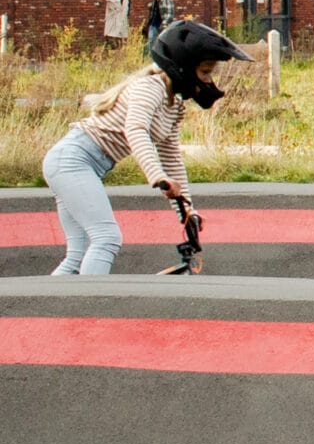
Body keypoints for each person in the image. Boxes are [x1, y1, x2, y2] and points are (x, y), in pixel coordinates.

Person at [43, 16, 236, 276]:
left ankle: (50, 312)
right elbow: (136, 129)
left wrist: (188, 211)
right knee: (106, 238)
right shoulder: (150, 87)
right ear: (183, 67)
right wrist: (157, 177)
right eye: (204, 72)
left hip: (76, 163)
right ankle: (87, 310)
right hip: (73, 159)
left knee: (78, 255)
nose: (207, 81)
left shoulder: (174, 105)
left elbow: (171, 157)